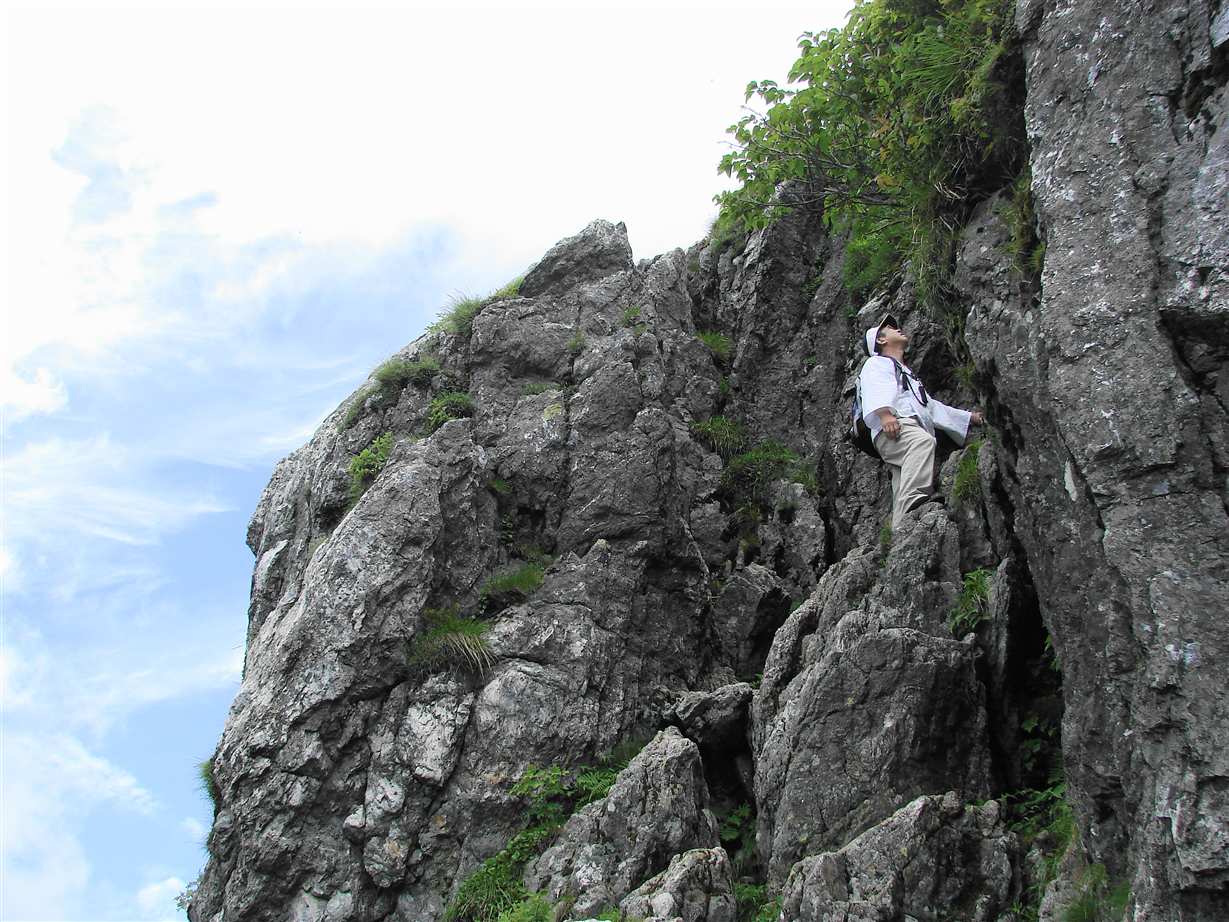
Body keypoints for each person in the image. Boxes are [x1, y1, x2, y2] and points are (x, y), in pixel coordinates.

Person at [859, 314, 983, 530]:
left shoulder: (907, 375)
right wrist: (885, 415)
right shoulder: (877, 363)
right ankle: (911, 512)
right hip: (894, 426)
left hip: (901, 428)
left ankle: (899, 532)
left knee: (902, 482)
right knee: (922, 443)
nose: (896, 328)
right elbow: (874, 387)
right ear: (881, 340)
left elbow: (931, 407)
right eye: (888, 328)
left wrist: (969, 418)